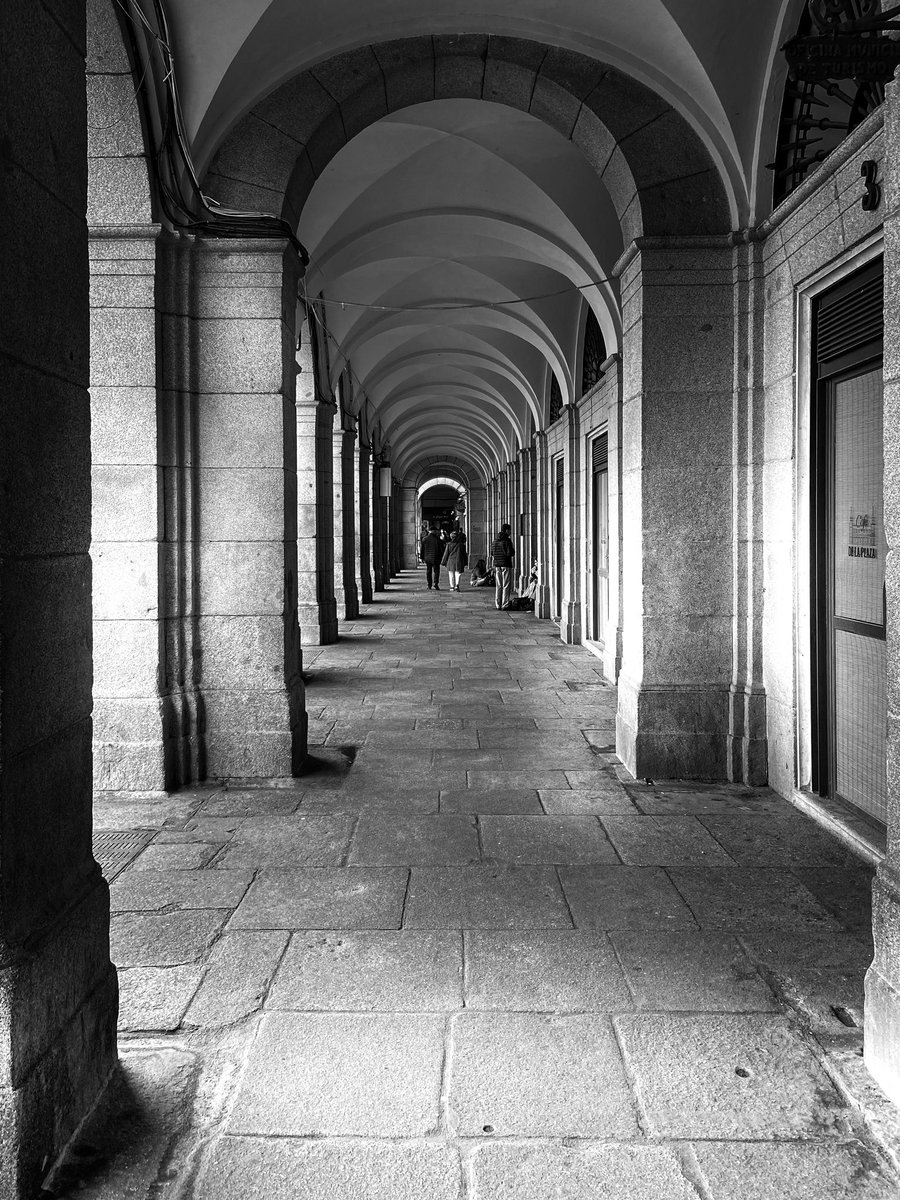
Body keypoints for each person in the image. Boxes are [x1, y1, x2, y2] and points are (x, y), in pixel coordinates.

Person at [491, 523, 515, 610]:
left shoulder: (495, 541)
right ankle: (505, 604)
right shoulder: (507, 541)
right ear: (506, 530)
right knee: (506, 584)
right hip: (506, 564)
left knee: (499, 585)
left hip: (497, 565)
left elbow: (492, 553)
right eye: (510, 530)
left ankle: (498, 604)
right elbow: (510, 553)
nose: (510, 532)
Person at [420, 524, 444, 590]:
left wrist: (421, 557)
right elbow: (441, 549)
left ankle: (429, 585)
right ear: (433, 531)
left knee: (428, 571)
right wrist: (442, 557)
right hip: (436, 558)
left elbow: (422, 549)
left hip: (427, 558)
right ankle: (435, 584)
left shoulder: (425, 539)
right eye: (435, 531)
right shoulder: (437, 539)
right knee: (436, 571)